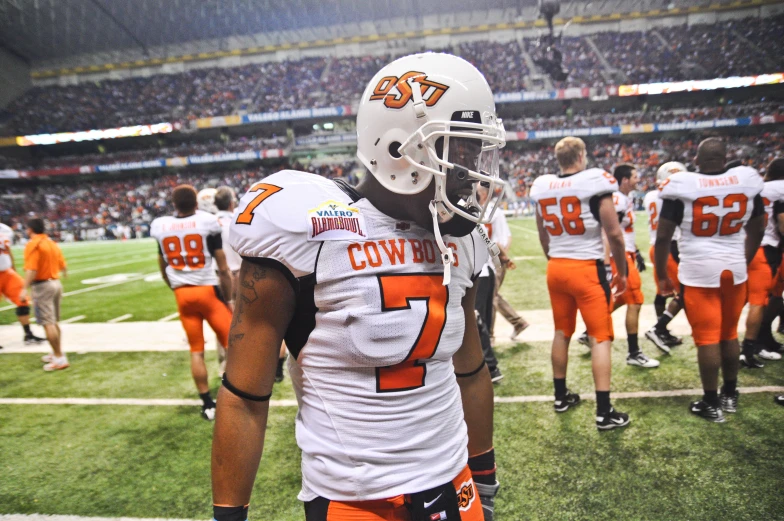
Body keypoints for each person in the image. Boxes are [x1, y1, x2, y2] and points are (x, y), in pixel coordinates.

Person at [212, 53, 504, 521]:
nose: (471, 168)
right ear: (398, 150)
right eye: (459, 149)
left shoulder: (463, 241)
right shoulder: (310, 231)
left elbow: (469, 370)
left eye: (476, 151)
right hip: (354, 501)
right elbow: (245, 398)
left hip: (455, 484)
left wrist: (483, 474)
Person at [655, 138, 765, 422]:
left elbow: (664, 236)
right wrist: (745, 257)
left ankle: (711, 402)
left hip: (698, 272)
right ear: (726, 157)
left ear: (697, 159)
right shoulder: (745, 180)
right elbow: (757, 229)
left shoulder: (683, 185)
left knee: (706, 339)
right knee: (729, 334)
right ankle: (730, 394)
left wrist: (662, 275)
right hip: (734, 270)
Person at [529, 136, 631, 430]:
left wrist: (555, 258)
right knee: (600, 336)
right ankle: (603, 412)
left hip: (557, 267)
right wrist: (622, 271)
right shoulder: (594, 181)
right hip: (586, 268)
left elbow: (542, 234)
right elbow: (614, 234)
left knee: (561, 332)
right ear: (581, 156)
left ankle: (561, 397)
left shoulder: (544, 186)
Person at [151, 185, 234, 421]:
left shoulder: (161, 226)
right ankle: (234, 394)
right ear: (196, 203)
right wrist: (227, 298)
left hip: (182, 295)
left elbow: (163, 267)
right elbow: (224, 267)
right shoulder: (207, 222)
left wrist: (175, 287)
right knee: (232, 345)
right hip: (207, 291)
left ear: (174, 205)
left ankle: (207, 403)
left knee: (196, 351)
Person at [609, 164, 659, 368]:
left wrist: (635, 251)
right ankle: (633, 352)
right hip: (618, 255)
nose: (639, 179)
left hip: (625, 253)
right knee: (636, 299)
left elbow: (624, 231)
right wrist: (621, 259)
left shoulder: (624, 198)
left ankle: (590, 330)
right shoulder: (618, 199)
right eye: (635, 176)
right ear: (624, 179)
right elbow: (612, 232)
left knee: (622, 297)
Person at [740, 158, 784, 367]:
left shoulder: (757, 187)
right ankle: (750, 348)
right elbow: (782, 223)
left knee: (741, 300)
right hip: (765, 249)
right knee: (759, 302)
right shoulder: (780, 189)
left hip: (744, 247)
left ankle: (751, 343)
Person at [477, 187, 530, 344]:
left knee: (491, 297)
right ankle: (518, 322)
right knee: (492, 295)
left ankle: (489, 335)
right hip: (492, 257)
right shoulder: (486, 210)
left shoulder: (493, 212)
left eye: (478, 191)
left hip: (494, 258)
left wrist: (502, 257)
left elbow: (501, 238)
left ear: (484, 194)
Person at [644, 162, 687, 353]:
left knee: (662, 292)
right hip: (670, 246)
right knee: (685, 294)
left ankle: (662, 330)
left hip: (656, 247)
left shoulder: (650, 196)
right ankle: (659, 328)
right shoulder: (673, 196)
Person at [22, 217, 68, 371]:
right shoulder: (51, 242)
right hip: (55, 282)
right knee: (53, 322)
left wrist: (24, 288)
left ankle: (59, 357)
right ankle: (56, 352)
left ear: (30, 229)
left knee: (48, 323)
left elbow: (32, 269)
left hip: (42, 286)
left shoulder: (34, 244)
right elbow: (63, 264)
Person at [0, 222, 46, 345]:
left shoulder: (5, 229)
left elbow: (7, 250)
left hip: (6, 272)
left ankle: (28, 334)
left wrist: (13, 268)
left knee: (23, 300)